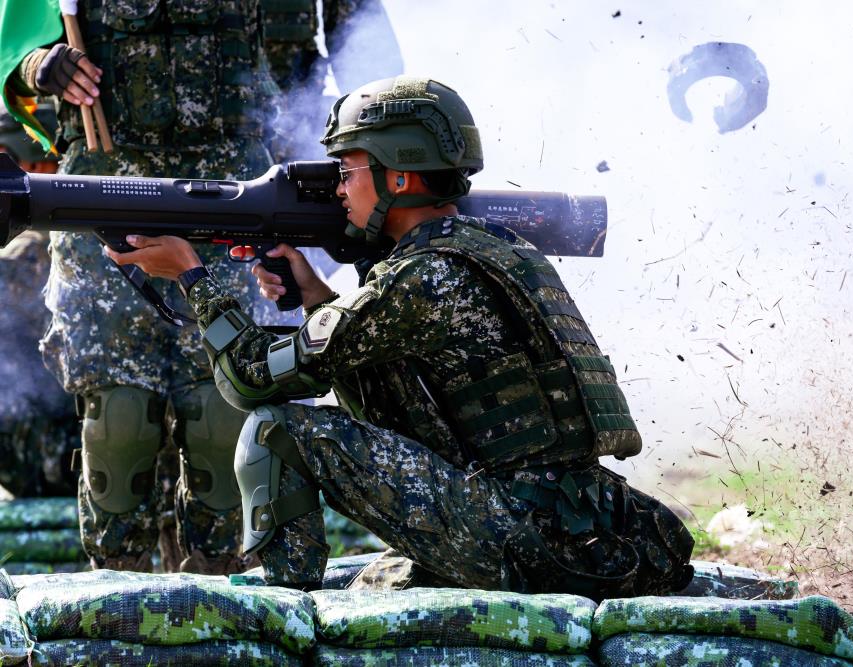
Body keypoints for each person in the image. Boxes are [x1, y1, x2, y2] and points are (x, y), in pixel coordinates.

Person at [106, 75, 694, 597]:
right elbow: (380, 352)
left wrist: (190, 275)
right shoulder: (497, 249)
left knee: (276, 431)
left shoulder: (421, 276)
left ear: (400, 174)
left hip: (518, 536)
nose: (338, 187)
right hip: (578, 526)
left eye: (348, 169)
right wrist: (315, 295)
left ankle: (287, 607)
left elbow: (248, 380)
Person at [5, 0, 309, 573]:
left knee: (224, 414)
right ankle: (118, 601)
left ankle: (221, 600)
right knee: (118, 422)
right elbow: (16, 42)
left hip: (233, 188)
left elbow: (318, 56)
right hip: (105, 184)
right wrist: (41, 66)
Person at [0, 232, 78, 499]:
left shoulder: (68, 314)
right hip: (26, 471)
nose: (16, 284)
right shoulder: (7, 327)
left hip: (76, 460)